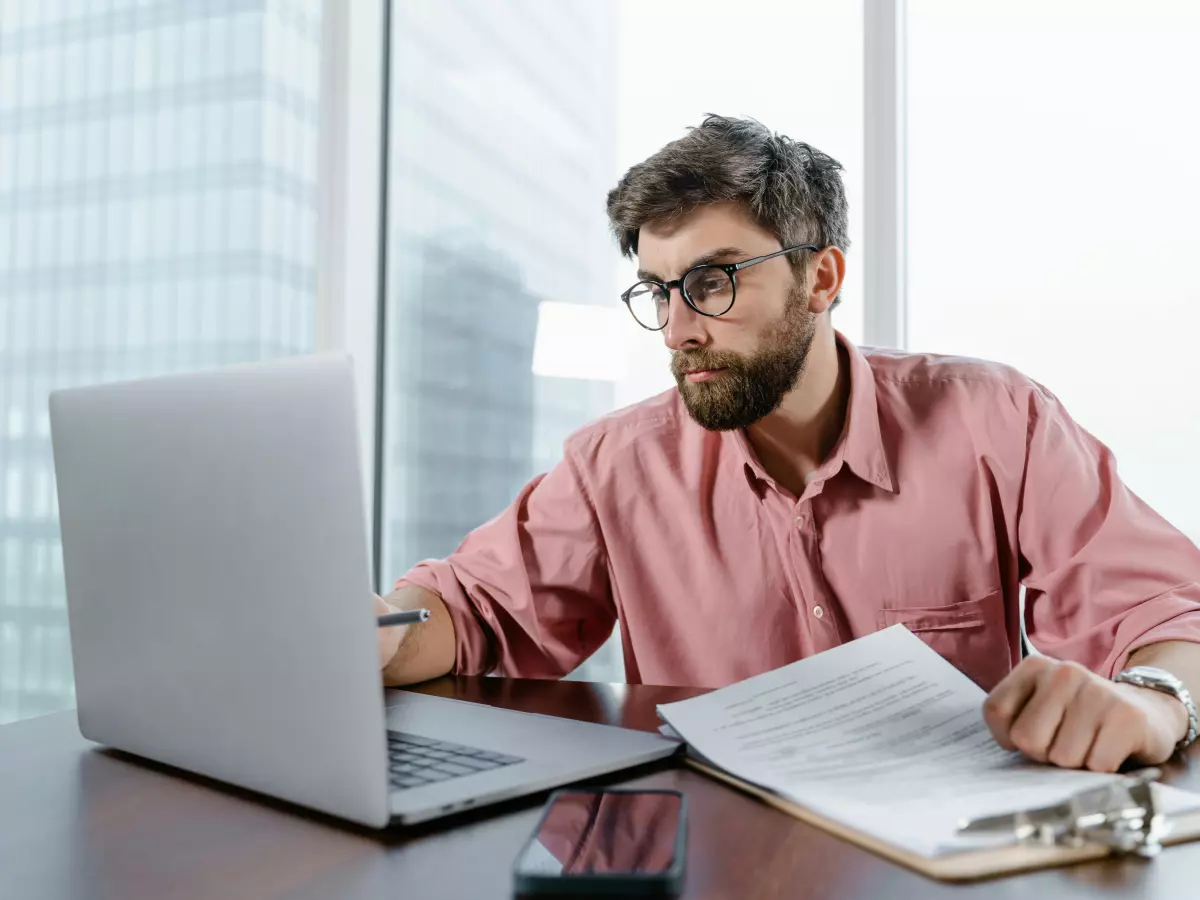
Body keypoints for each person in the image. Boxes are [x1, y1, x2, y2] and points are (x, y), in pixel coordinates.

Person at [376, 115, 1200, 773]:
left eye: (712, 282)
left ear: (823, 278)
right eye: (658, 292)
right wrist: (354, 630)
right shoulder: (614, 466)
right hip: (722, 853)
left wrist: (1156, 697)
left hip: (946, 865)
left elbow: (1163, 611)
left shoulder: (997, 421)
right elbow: (473, 612)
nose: (678, 329)